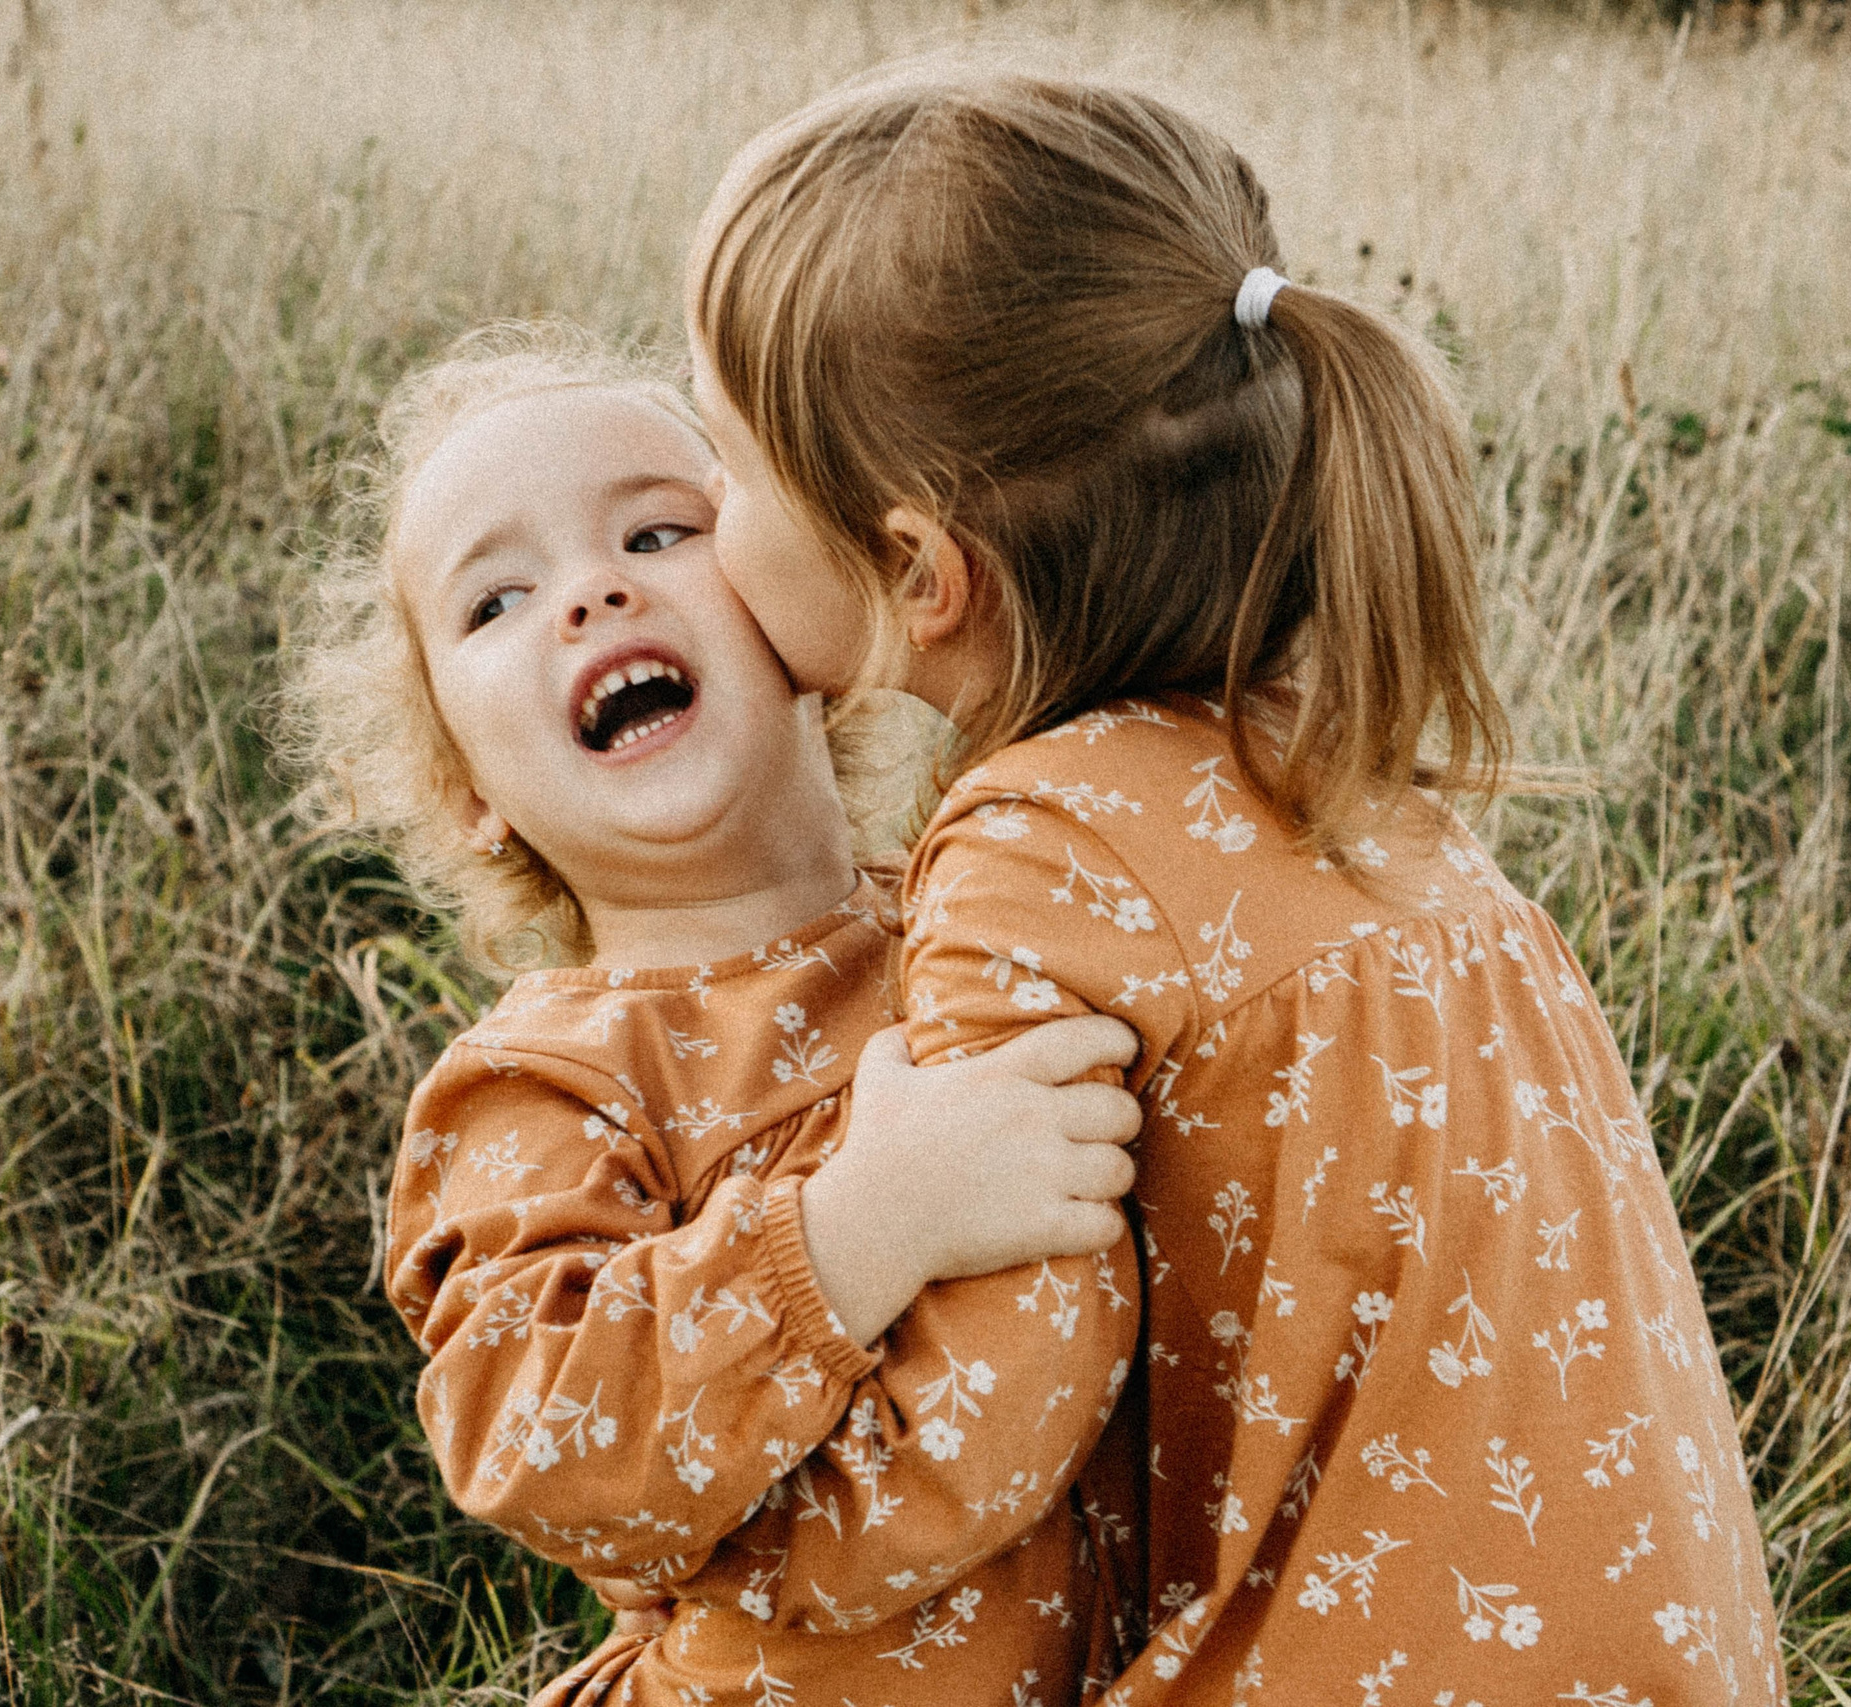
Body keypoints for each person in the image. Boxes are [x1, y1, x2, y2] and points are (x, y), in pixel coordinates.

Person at [685, 69, 1786, 1706]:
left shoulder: (1039, 854)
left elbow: (983, 1443)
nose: (706, 529)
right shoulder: (1367, 796)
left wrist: (695, 1563)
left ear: (921, 574)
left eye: (726, 467)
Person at [286, 325, 1145, 1706]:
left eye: (659, 530)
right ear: (467, 792)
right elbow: (548, 1446)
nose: (588, 598)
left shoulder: (979, 904)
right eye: (495, 601)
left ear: (807, 609)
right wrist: (862, 1226)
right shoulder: (544, 1082)